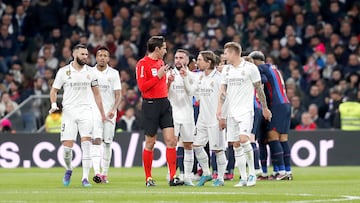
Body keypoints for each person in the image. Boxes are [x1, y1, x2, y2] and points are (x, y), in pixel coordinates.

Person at [49, 44, 109, 187]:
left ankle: (85, 178)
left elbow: (97, 95)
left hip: (86, 111)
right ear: (74, 54)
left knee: (86, 144)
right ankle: (69, 169)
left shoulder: (91, 72)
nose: (85, 57)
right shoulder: (64, 72)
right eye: (82, 54)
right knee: (67, 150)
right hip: (69, 112)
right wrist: (53, 105)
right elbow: (53, 91)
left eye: (86, 55)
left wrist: (102, 114)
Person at [217, 42, 272, 187]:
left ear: (234, 53)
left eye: (226, 53)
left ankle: (253, 173)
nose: (224, 56)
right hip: (231, 112)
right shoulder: (226, 70)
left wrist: (265, 108)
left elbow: (259, 89)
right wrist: (220, 111)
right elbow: (222, 91)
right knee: (235, 144)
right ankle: (243, 177)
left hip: (246, 110)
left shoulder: (250, 68)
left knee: (243, 139)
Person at [135, 36, 183, 187]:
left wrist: (167, 82)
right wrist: (158, 75)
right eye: (163, 48)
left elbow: (159, 84)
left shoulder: (160, 62)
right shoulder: (142, 64)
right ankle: (148, 178)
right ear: (156, 49)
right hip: (150, 105)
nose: (165, 50)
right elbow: (143, 87)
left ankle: (173, 176)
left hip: (164, 103)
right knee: (150, 142)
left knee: (171, 140)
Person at [181, 50, 227, 186]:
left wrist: (222, 116)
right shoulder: (200, 77)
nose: (197, 62)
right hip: (202, 119)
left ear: (209, 62)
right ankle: (207, 173)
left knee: (218, 149)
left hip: (215, 119)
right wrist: (184, 78)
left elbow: (224, 98)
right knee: (196, 145)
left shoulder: (219, 78)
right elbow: (191, 92)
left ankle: (220, 178)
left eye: (200, 60)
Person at [249, 51, 293, 181]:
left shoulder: (260, 68)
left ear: (255, 61)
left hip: (276, 105)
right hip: (285, 104)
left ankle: (281, 171)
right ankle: (287, 170)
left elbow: (262, 80)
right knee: (283, 138)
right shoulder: (274, 68)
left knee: (273, 137)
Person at [91, 46, 121, 184]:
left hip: (109, 114)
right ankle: (97, 172)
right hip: (94, 112)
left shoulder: (114, 73)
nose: (102, 57)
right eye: (100, 55)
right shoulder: (90, 73)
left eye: (105, 55)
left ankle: (105, 173)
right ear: (96, 58)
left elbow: (118, 94)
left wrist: (114, 109)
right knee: (96, 140)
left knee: (107, 143)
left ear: (108, 58)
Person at [167, 49, 196, 185]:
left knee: (188, 145)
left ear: (187, 60)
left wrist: (184, 78)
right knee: (172, 143)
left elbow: (190, 92)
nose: (178, 60)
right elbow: (164, 95)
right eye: (176, 57)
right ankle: (171, 174)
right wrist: (168, 83)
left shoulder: (192, 76)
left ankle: (188, 176)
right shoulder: (168, 74)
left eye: (181, 58)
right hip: (173, 114)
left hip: (187, 114)